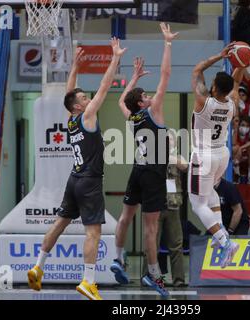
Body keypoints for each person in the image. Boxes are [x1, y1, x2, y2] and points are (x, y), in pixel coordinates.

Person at [26, 38, 126, 300]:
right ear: (80, 107)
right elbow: (105, 87)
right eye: (84, 98)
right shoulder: (87, 115)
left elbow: (68, 94)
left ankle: (38, 266)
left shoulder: (71, 119)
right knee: (93, 232)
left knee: (60, 223)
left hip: (74, 179)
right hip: (90, 181)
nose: (88, 97)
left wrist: (74, 68)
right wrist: (114, 58)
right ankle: (88, 281)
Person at [112, 23, 178, 297]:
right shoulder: (154, 112)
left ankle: (117, 257)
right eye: (145, 96)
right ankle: (154, 276)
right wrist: (167, 43)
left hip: (137, 171)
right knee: (150, 228)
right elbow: (166, 73)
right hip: (152, 174)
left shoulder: (133, 117)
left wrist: (134, 79)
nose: (150, 96)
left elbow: (120, 103)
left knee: (125, 217)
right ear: (142, 103)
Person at [189, 43, 244, 269]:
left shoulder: (204, 101)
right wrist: (241, 62)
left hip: (204, 155)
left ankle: (225, 242)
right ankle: (219, 233)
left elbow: (196, 70)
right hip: (222, 155)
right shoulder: (232, 103)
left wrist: (220, 56)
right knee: (210, 193)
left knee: (197, 204)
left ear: (213, 87)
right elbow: (237, 81)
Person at [143, 133, 188, 288]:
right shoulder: (150, 155)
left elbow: (185, 166)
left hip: (173, 206)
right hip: (154, 206)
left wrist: (168, 156)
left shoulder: (178, 157)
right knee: (151, 243)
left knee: (176, 244)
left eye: (171, 140)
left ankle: (179, 280)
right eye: (166, 140)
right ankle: (147, 278)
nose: (169, 142)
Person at [232, 115, 250, 183]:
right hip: (237, 153)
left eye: (247, 126)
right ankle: (236, 174)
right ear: (239, 124)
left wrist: (242, 147)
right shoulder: (234, 130)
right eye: (243, 125)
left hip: (246, 152)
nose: (245, 128)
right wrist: (235, 129)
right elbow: (233, 142)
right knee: (235, 148)